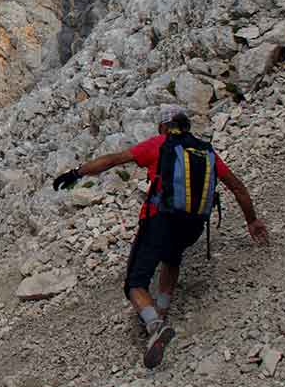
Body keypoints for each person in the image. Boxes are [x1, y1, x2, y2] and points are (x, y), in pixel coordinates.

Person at [52, 104, 268, 369]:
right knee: (172, 258)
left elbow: (113, 160)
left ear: (164, 127)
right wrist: (252, 220)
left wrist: (76, 173)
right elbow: (237, 187)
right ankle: (161, 310)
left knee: (134, 282)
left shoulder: (160, 144)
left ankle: (155, 325)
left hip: (159, 220)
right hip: (193, 224)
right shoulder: (206, 152)